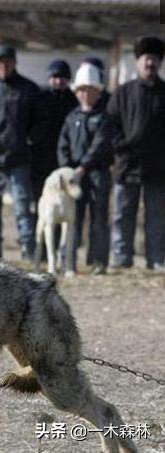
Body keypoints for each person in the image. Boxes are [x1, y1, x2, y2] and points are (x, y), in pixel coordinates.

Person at [0, 44, 45, 260]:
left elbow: (41, 121)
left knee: (23, 208)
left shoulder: (29, 89)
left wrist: (28, 139)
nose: (3, 65)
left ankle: (28, 251)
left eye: (7, 61)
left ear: (14, 62)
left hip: (19, 159)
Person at [108, 36, 165, 271]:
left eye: (154, 59)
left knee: (157, 217)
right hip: (127, 164)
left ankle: (156, 259)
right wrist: (121, 149)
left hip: (159, 167)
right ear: (138, 62)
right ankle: (122, 259)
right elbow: (110, 126)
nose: (149, 63)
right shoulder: (122, 93)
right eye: (145, 59)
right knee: (122, 215)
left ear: (160, 63)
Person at [57, 63, 114, 275]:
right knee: (72, 219)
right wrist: (66, 169)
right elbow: (62, 144)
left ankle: (98, 262)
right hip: (73, 178)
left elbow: (100, 145)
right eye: (82, 90)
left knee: (99, 219)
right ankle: (67, 262)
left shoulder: (104, 118)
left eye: (90, 90)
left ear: (98, 92)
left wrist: (83, 167)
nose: (85, 94)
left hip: (97, 174)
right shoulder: (72, 118)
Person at [32, 59, 78, 202]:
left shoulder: (73, 100)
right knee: (40, 196)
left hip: (64, 156)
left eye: (62, 78)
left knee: (62, 197)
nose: (58, 81)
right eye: (55, 77)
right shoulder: (40, 97)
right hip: (41, 155)